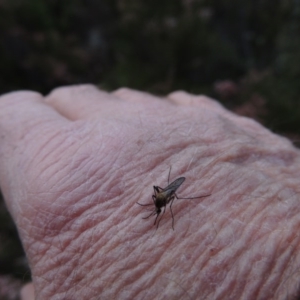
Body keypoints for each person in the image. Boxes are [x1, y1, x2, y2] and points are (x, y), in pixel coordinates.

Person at [0, 85, 299, 300]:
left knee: (175, 198)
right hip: (162, 192)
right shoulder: (157, 200)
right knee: (163, 198)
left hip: (171, 190)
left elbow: (165, 197)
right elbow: (157, 197)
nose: (157, 207)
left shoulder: (165, 200)